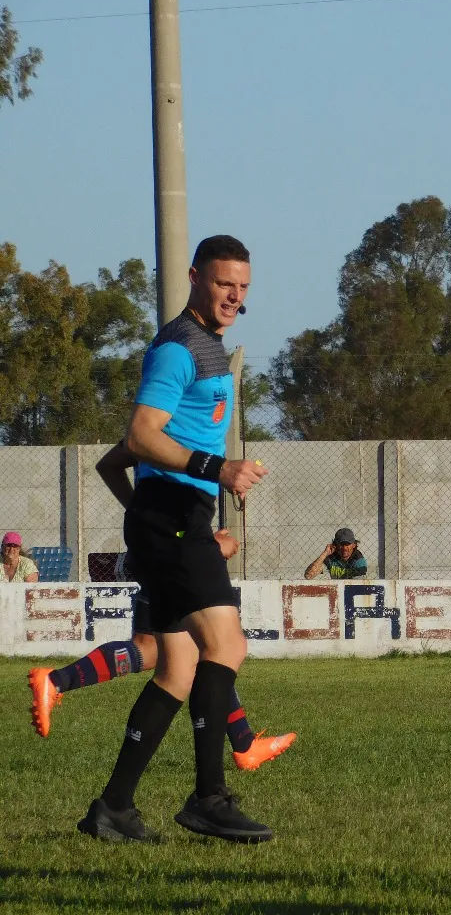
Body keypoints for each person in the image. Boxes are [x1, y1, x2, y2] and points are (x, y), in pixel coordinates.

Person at [75, 234, 273, 844]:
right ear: (194, 278)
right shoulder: (179, 346)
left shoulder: (207, 346)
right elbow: (140, 435)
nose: (234, 296)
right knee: (227, 645)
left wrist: (148, 517)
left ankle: (113, 809)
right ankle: (209, 799)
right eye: (223, 283)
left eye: (242, 286)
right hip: (177, 520)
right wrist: (215, 472)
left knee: (178, 670)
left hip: (173, 519)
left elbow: (115, 461)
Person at [26, 440, 296, 772]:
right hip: (175, 553)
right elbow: (168, 507)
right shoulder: (173, 430)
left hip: (158, 548)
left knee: (160, 649)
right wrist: (209, 546)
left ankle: (242, 744)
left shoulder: (152, 430)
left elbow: (111, 465)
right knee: (211, 649)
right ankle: (235, 754)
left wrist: (142, 515)